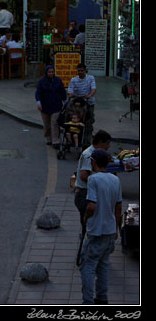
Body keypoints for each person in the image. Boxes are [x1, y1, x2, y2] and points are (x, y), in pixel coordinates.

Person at [80, 148, 122, 305]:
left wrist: (85, 217)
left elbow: (91, 206)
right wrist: (117, 229)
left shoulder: (93, 179)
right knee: (104, 265)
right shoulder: (115, 179)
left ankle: (88, 301)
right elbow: (118, 207)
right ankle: (102, 298)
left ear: (93, 162)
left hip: (96, 230)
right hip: (110, 230)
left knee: (88, 267)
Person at [74, 130, 112, 238]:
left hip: (87, 192)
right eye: (107, 144)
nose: (108, 147)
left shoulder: (97, 154)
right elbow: (83, 175)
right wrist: (100, 181)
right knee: (88, 220)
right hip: (84, 193)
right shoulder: (89, 155)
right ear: (100, 142)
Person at [35, 65, 67, 148]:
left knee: (54, 123)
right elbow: (38, 92)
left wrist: (65, 100)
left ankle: (56, 140)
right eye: (49, 72)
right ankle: (48, 138)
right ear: (46, 72)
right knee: (46, 124)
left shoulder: (58, 80)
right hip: (45, 106)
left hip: (56, 105)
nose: (51, 73)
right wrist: (38, 102)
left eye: (52, 72)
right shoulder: (42, 81)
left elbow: (62, 91)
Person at [68, 63, 97, 145]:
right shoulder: (73, 80)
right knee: (73, 119)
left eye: (82, 71)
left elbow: (94, 88)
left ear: (85, 70)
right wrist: (71, 94)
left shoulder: (91, 78)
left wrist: (90, 95)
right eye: (79, 71)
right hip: (77, 104)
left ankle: (87, 141)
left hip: (88, 103)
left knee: (88, 121)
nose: (80, 72)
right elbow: (70, 91)